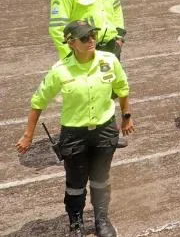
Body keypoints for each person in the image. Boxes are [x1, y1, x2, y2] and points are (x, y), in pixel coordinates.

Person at [16, 20, 134, 237]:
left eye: (93, 35)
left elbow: (122, 87)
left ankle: (101, 219)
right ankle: (76, 223)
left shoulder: (108, 61)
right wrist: (28, 135)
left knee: (101, 177)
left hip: (104, 130)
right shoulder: (60, 70)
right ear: (71, 43)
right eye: (84, 38)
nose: (91, 41)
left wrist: (126, 117)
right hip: (74, 134)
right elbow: (38, 102)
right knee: (76, 182)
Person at [50, 0, 128, 148]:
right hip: (83, 51)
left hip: (109, 46)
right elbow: (58, 28)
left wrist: (119, 36)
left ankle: (108, 133)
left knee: (108, 90)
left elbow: (116, 8)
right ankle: (76, 137)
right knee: (82, 94)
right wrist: (70, 54)